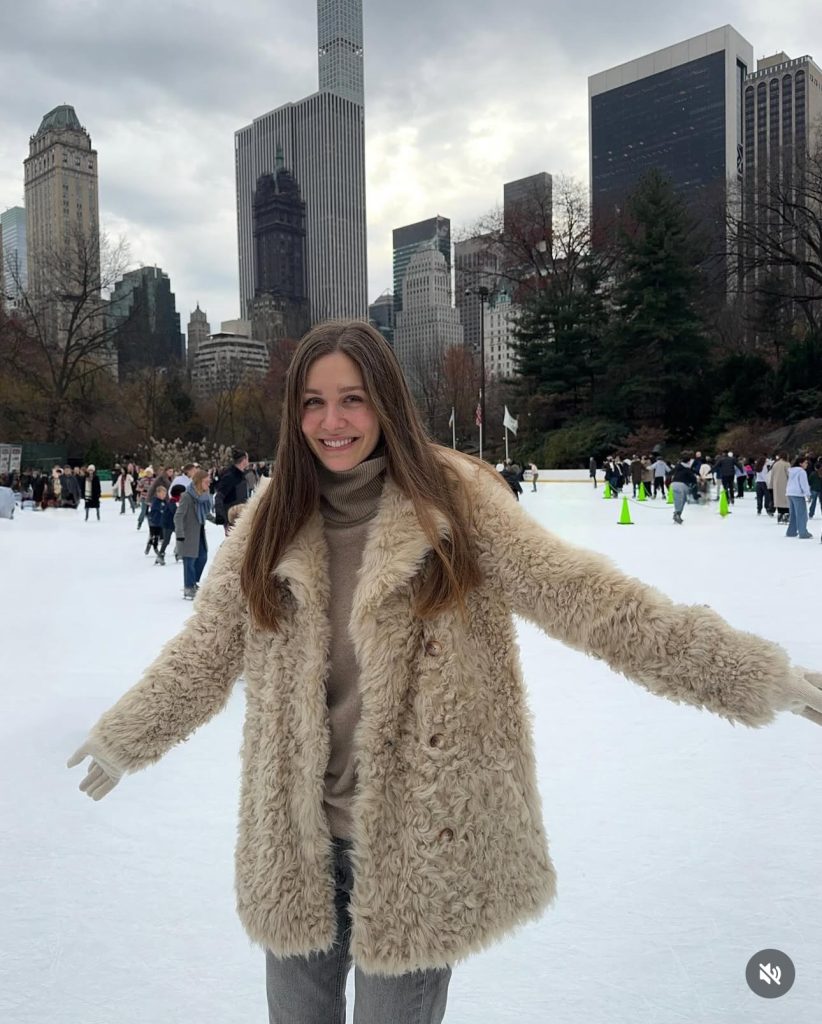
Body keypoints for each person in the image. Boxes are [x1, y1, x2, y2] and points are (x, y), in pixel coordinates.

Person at [67, 320, 822, 1024]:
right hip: (296, 838)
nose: (332, 421)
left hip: (421, 838)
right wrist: (126, 736)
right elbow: (205, 650)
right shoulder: (270, 519)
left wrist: (749, 674)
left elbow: (588, 600)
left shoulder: (453, 503)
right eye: (314, 403)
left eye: (352, 399)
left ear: (387, 402)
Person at [174, 469, 213, 599]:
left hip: (199, 532)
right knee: (189, 561)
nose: (209, 484)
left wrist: (217, 520)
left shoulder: (203, 496)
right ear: (199, 482)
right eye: (206, 482)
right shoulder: (187, 496)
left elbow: (205, 513)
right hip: (188, 534)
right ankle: (188, 587)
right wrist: (180, 534)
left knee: (203, 557)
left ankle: (193, 582)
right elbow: (178, 516)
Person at [214, 447, 250, 532]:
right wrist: (221, 516)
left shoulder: (241, 475)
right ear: (244, 460)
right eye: (248, 458)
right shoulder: (230, 476)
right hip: (232, 519)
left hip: (242, 517)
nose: (248, 461)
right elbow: (219, 496)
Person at [785, 456, 813, 539]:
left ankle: (791, 531)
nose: (807, 464)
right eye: (805, 462)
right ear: (800, 463)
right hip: (798, 494)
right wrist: (808, 494)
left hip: (790, 493)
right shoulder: (801, 472)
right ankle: (803, 532)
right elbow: (804, 484)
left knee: (793, 514)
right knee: (802, 514)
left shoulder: (791, 471)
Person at [670, 453, 698, 525]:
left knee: (678, 499)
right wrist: (695, 483)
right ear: (688, 462)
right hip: (682, 485)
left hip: (674, 484)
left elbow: (670, 473)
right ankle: (677, 514)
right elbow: (693, 478)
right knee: (682, 500)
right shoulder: (687, 469)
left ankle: (677, 514)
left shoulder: (678, 467)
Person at [770, 452, 790, 524]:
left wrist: (771, 485)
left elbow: (772, 475)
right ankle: (786, 516)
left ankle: (780, 516)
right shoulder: (786, 464)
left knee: (778, 501)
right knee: (786, 501)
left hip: (776, 485)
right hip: (785, 484)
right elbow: (789, 474)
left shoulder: (775, 464)